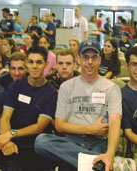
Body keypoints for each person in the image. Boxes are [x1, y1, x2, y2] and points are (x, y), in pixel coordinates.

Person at [34, 39, 122, 170]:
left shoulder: (111, 88)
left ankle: (94, 163)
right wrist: (91, 129)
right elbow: (59, 125)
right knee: (41, 141)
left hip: (98, 142)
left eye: (94, 57)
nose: (90, 62)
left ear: (100, 60)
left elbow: (115, 121)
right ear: (79, 60)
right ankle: (98, 165)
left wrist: (110, 153)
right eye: (86, 57)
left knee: (101, 152)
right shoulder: (66, 87)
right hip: (71, 140)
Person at [0, 46, 58, 171]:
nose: (34, 66)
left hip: (35, 144)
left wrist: (10, 134)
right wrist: (7, 140)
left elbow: (39, 126)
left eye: (39, 62)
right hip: (12, 142)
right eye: (31, 62)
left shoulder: (52, 93)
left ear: (46, 64)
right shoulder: (14, 86)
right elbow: (5, 117)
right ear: (27, 63)